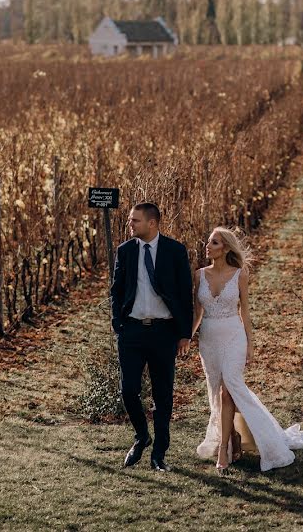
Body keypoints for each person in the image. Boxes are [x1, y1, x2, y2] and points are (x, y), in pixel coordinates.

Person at [193, 226, 303, 472]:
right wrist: (185, 337)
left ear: (225, 248)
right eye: (208, 242)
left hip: (234, 337)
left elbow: (244, 311)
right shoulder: (199, 275)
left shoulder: (240, 274)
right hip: (209, 340)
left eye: (213, 243)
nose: (207, 246)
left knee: (230, 388)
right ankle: (234, 437)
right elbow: (198, 313)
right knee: (217, 392)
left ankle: (224, 448)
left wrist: (250, 344)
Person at [110, 202, 192, 472]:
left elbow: (184, 295)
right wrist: (118, 325)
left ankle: (159, 454)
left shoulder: (175, 251)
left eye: (135, 221)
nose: (130, 225)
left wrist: (184, 334)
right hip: (132, 331)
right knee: (128, 390)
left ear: (152, 223)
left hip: (163, 332)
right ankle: (142, 436)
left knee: (163, 396)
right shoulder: (125, 251)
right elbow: (117, 290)